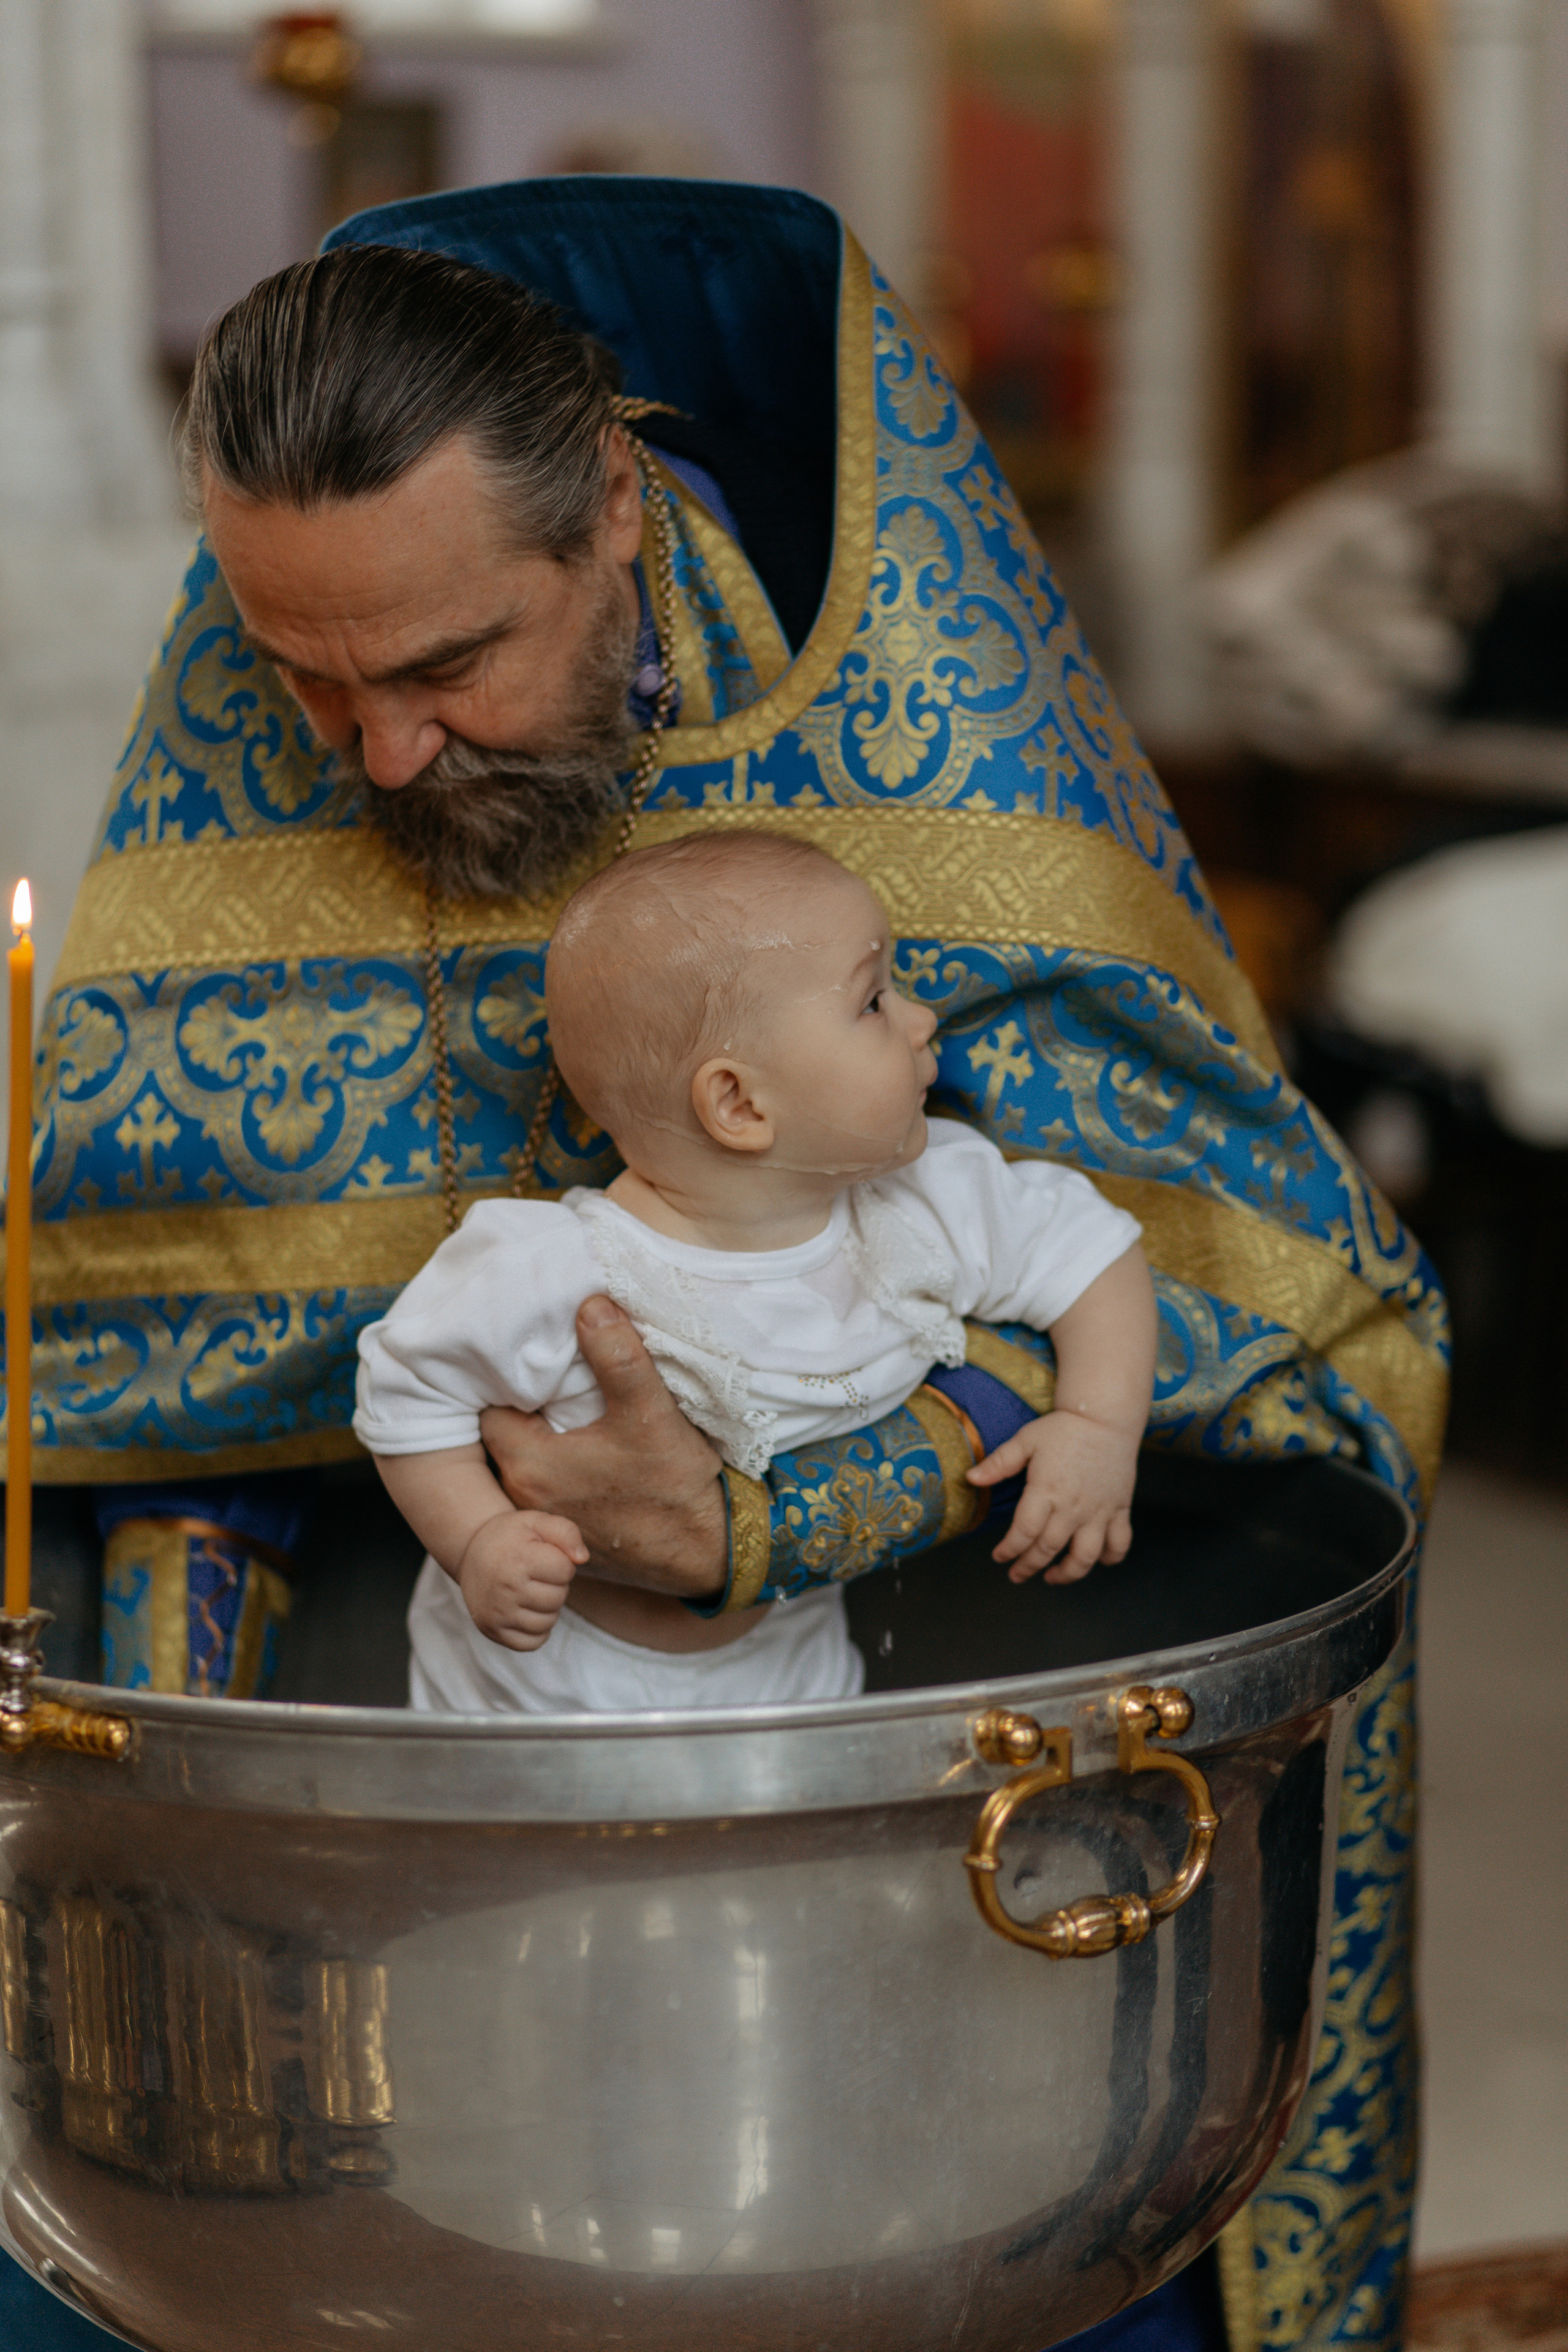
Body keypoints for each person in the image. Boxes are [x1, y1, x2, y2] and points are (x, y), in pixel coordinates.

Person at [8, 179, 1445, 2351]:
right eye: (299, 672)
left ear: (613, 506)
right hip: (415, 1850)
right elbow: (131, 1358)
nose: (378, 755)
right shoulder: (277, 727)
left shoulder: (923, 792)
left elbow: (1298, 1346)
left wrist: (783, 1516)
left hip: (924, 1823)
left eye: (447, 666)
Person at [354, 832, 1155, 1711]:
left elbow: (1093, 1253)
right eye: (876, 1000)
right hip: (540, 1683)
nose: (926, 1018)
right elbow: (407, 1393)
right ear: (738, 1104)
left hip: (790, 1668)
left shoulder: (929, 1203)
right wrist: (477, 1540)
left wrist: (1096, 1425)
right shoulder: (555, 1271)